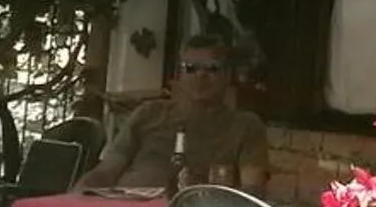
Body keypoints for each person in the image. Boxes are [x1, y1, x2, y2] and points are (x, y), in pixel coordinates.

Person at [77, 37, 270, 195]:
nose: (200, 76)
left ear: (228, 76)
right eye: (190, 68)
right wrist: (77, 195)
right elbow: (107, 170)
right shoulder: (149, 113)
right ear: (180, 75)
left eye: (212, 68)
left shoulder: (245, 126)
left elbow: (252, 191)